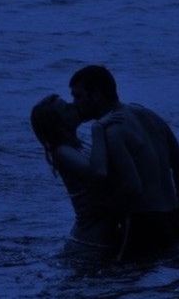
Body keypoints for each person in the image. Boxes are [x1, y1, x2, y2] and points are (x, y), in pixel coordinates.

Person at [69, 65, 179, 260]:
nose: (74, 104)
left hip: (144, 226)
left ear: (96, 95)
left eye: (78, 96)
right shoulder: (149, 116)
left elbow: (131, 188)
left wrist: (99, 210)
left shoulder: (111, 132)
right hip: (174, 219)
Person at [30, 94, 119, 259]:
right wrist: (98, 129)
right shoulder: (61, 151)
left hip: (98, 239)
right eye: (66, 108)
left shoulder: (77, 145)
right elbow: (98, 173)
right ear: (58, 123)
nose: (74, 106)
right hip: (89, 244)